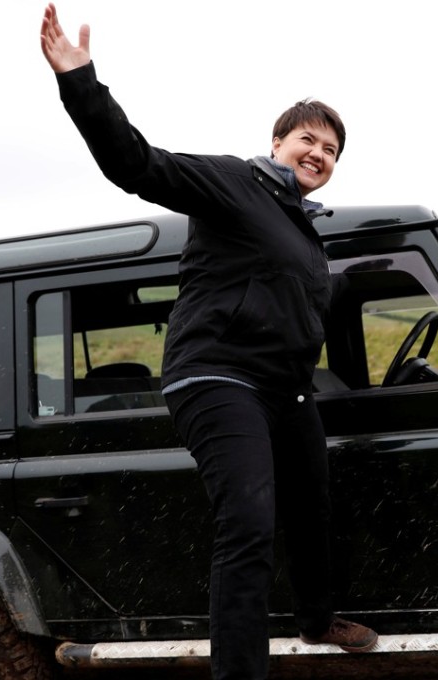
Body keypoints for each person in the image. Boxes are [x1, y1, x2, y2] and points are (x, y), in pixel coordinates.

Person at [39, 4, 378, 679]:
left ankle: (316, 619)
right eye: (308, 140)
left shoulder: (306, 230)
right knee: (249, 522)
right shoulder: (234, 183)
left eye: (331, 150)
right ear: (278, 142)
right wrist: (82, 82)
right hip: (218, 377)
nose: (318, 154)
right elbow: (136, 164)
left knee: (312, 501)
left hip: (284, 388)